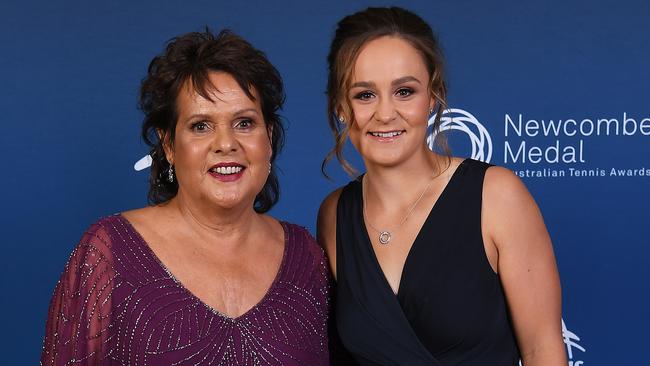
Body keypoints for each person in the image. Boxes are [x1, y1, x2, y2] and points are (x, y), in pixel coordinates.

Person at [41, 29, 329, 365]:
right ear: (168, 146)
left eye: (244, 122)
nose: (226, 143)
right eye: (201, 126)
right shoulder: (108, 254)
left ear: (270, 137)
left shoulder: (308, 257)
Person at [317, 7, 567, 366]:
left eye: (404, 91)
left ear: (432, 96)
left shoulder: (497, 196)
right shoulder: (333, 215)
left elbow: (542, 351)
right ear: (340, 105)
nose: (385, 113)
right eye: (364, 95)